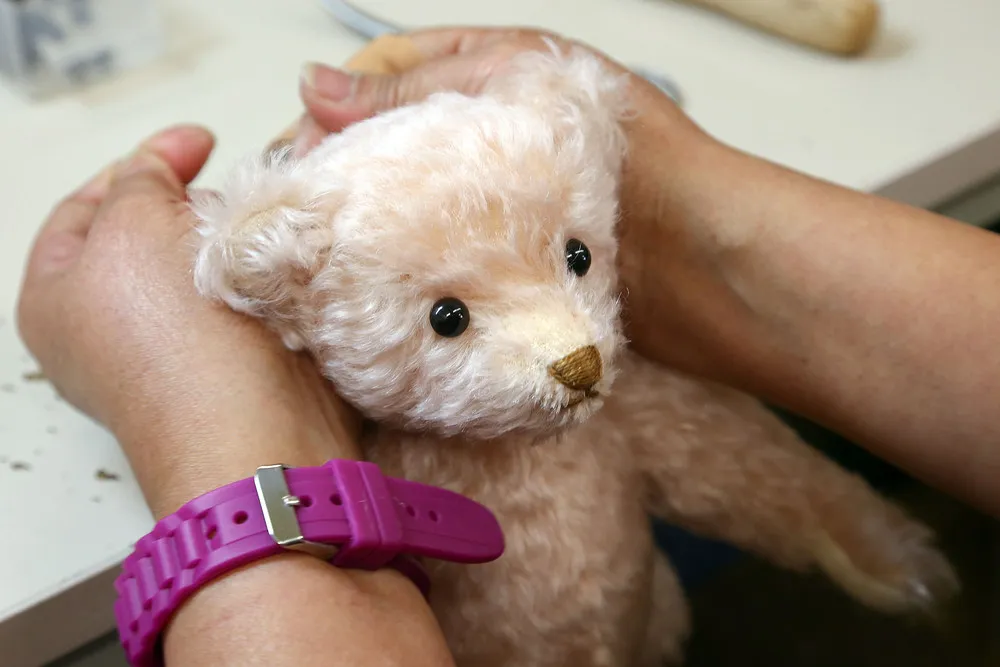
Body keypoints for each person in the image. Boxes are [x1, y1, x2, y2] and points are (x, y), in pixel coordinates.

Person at [16, 26, 999, 667]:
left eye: (575, 258)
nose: (569, 349)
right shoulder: (358, 400)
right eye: (449, 316)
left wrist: (211, 438)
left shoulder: (601, 399)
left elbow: (731, 460)